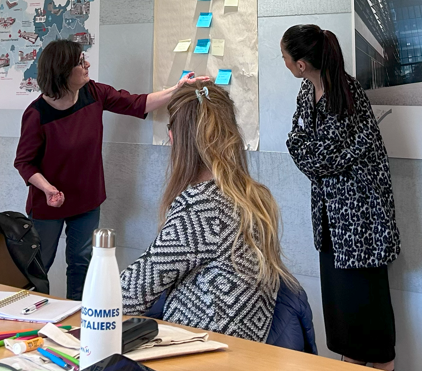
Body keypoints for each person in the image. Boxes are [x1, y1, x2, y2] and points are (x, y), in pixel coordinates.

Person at [14, 39, 208, 300]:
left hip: (87, 199)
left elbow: (136, 103)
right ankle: (26, 316)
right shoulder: (36, 114)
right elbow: (24, 162)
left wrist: (178, 89)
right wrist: (48, 189)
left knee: (82, 263)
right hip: (49, 203)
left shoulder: (93, 93)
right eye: (81, 62)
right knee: (38, 266)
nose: (88, 65)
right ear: (63, 71)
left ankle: (77, 320)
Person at [120, 81, 299, 343]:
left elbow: (128, 295)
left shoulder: (202, 205)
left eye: (171, 127)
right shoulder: (254, 196)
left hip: (200, 352)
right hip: (245, 352)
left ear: (178, 138)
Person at [281, 24, 401, 370]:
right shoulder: (307, 93)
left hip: (363, 227)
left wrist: (306, 149)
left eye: (286, 57)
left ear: (301, 64)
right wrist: (306, 149)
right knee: (344, 320)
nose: (285, 63)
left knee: (370, 321)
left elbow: (319, 158)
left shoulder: (346, 94)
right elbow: (297, 143)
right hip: (333, 223)